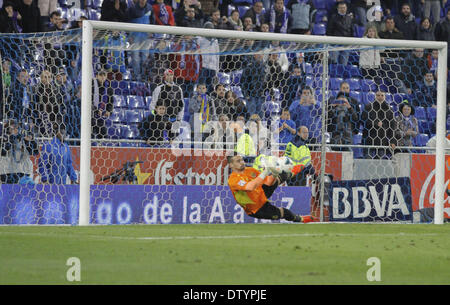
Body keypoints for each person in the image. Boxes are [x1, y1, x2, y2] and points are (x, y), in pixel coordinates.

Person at [227, 154, 315, 223]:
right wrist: (265, 171)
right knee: (283, 212)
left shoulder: (250, 170)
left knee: (279, 176)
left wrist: (274, 173)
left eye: (242, 160)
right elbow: (250, 187)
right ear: (231, 165)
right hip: (256, 208)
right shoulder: (233, 179)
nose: (242, 162)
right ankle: (301, 219)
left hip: (262, 193)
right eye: (238, 161)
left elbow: (268, 182)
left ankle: (292, 172)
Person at [361, 90, 397, 159]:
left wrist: (393, 141)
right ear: (375, 96)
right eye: (378, 95)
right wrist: (375, 124)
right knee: (367, 162)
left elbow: (392, 127)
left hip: (382, 141)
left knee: (380, 164)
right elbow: (363, 121)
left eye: (382, 95)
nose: (380, 97)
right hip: (369, 140)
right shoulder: (368, 107)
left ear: (385, 97)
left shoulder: (389, 109)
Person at [0, 119, 38, 184]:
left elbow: (35, 152)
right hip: (7, 172)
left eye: (17, 128)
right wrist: (12, 138)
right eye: (13, 128)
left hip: (23, 172)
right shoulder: (3, 139)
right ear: (7, 130)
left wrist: (30, 140)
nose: (16, 130)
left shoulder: (23, 139)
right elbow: (3, 152)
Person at [128, 0, 153, 82]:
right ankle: (137, 77)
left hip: (146, 36)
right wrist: (129, 35)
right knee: (135, 58)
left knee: (145, 57)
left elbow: (152, 21)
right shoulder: (132, 9)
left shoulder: (150, 8)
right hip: (135, 36)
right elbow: (127, 21)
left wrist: (152, 32)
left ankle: (143, 77)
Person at [326, 1, 354, 66]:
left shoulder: (349, 18)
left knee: (344, 63)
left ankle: (341, 76)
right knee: (334, 62)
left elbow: (351, 31)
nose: (342, 9)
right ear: (338, 9)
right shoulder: (333, 17)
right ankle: (333, 75)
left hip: (346, 44)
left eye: (344, 7)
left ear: (346, 8)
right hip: (335, 43)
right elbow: (329, 30)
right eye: (341, 8)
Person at [92, 70, 114, 139]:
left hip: (101, 117)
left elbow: (111, 102)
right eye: (101, 75)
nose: (102, 77)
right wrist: (96, 110)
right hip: (91, 115)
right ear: (96, 76)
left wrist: (108, 111)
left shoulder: (109, 88)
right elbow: (88, 101)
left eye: (104, 75)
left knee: (104, 135)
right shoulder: (91, 86)